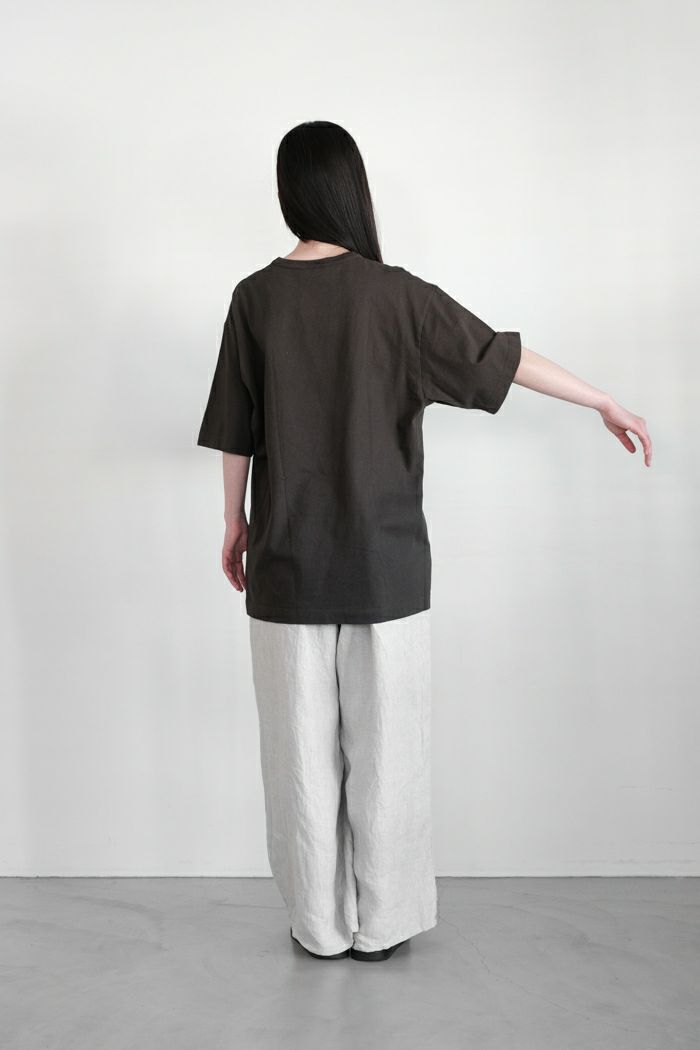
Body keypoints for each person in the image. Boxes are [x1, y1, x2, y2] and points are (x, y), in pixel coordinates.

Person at [197, 120, 652, 963]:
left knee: (298, 759)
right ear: (352, 190)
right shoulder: (396, 296)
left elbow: (237, 428)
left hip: (288, 562)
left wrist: (235, 522)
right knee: (389, 752)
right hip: (386, 565)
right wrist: (600, 399)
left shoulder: (254, 298)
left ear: (289, 192)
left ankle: (319, 927)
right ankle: (384, 925)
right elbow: (499, 356)